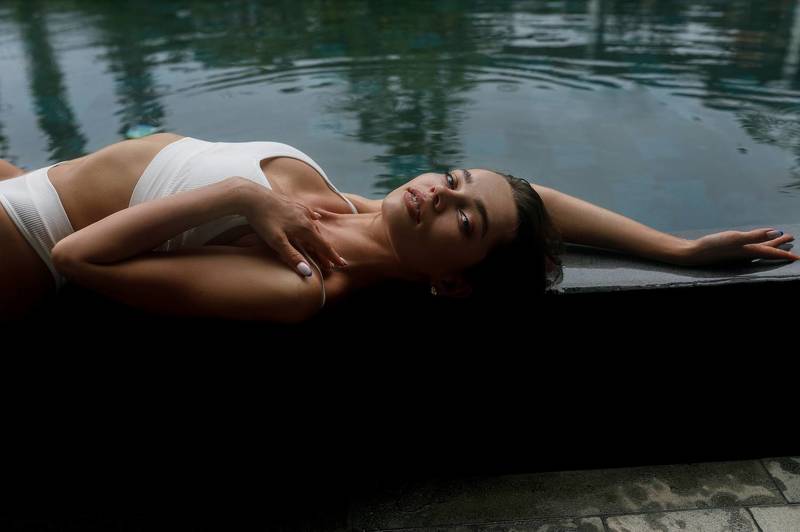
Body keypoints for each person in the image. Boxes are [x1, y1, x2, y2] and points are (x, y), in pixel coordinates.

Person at [0, 133, 796, 321]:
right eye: (451, 179)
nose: (439, 194)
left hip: (22, 236)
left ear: (450, 281)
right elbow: (531, 203)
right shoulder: (352, 208)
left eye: (461, 216)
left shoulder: (304, 282)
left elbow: (80, 256)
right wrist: (678, 248)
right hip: (32, 178)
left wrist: (237, 198)